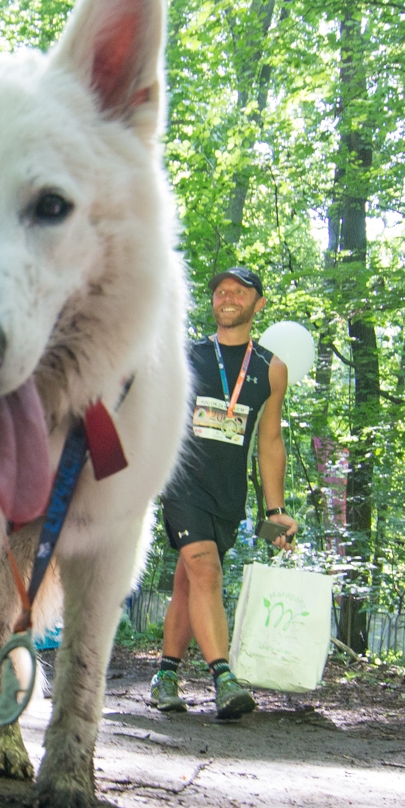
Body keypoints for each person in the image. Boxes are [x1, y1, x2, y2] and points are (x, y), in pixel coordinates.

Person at [150, 267, 296, 720]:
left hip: (227, 494)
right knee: (205, 570)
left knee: (189, 581)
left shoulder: (271, 369)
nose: (226, 296)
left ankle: (166, 675)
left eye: (239, 290)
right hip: (181, 482)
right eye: (219, 291)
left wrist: (275, 511)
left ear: (259, 304)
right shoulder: (187, 356)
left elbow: (269, 442)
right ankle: (223, 679)